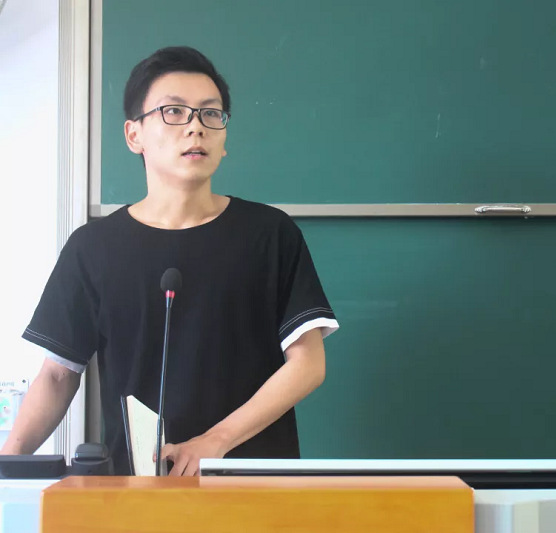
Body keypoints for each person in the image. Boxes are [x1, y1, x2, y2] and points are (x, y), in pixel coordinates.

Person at [0, 46, 338, 476]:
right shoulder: (93, 247)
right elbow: (57, 376)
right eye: (174, 111)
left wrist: (215, 441)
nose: (195, 127)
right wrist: (7, 467)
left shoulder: (270, 234)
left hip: (255, 486)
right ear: (134, 135)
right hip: (139, 489)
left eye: (210, 114)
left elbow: (308, 364)